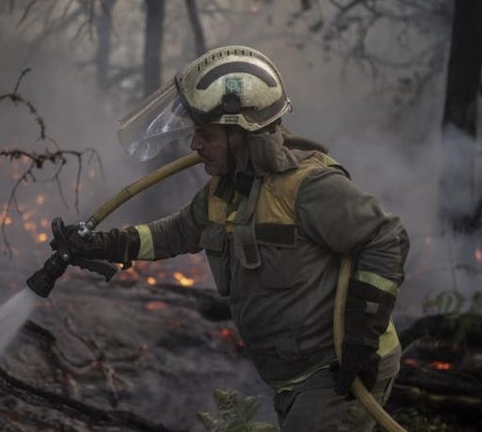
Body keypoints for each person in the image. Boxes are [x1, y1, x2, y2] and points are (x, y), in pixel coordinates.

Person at [52, 45, 409, 431]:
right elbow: (176, 232)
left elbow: (386, 237)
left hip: (337, 369)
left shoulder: (308, 187)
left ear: (243, 133)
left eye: (205, 134)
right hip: (294, 377)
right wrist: (105, 244)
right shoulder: (223, 191)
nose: (194, 145)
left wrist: (361, 335)